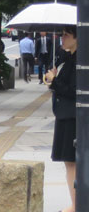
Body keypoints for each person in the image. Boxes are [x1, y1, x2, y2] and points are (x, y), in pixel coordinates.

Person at [45, 26, 76, 212]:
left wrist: (55, 81)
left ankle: (76, 205)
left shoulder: (79, 59)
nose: (62, 38)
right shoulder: (67, 57)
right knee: (69, 162)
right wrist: (53, 79)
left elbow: (73, 91)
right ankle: (75, 203)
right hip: (65, 114)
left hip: (72, 116)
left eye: (66, 35)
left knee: (72, 161)